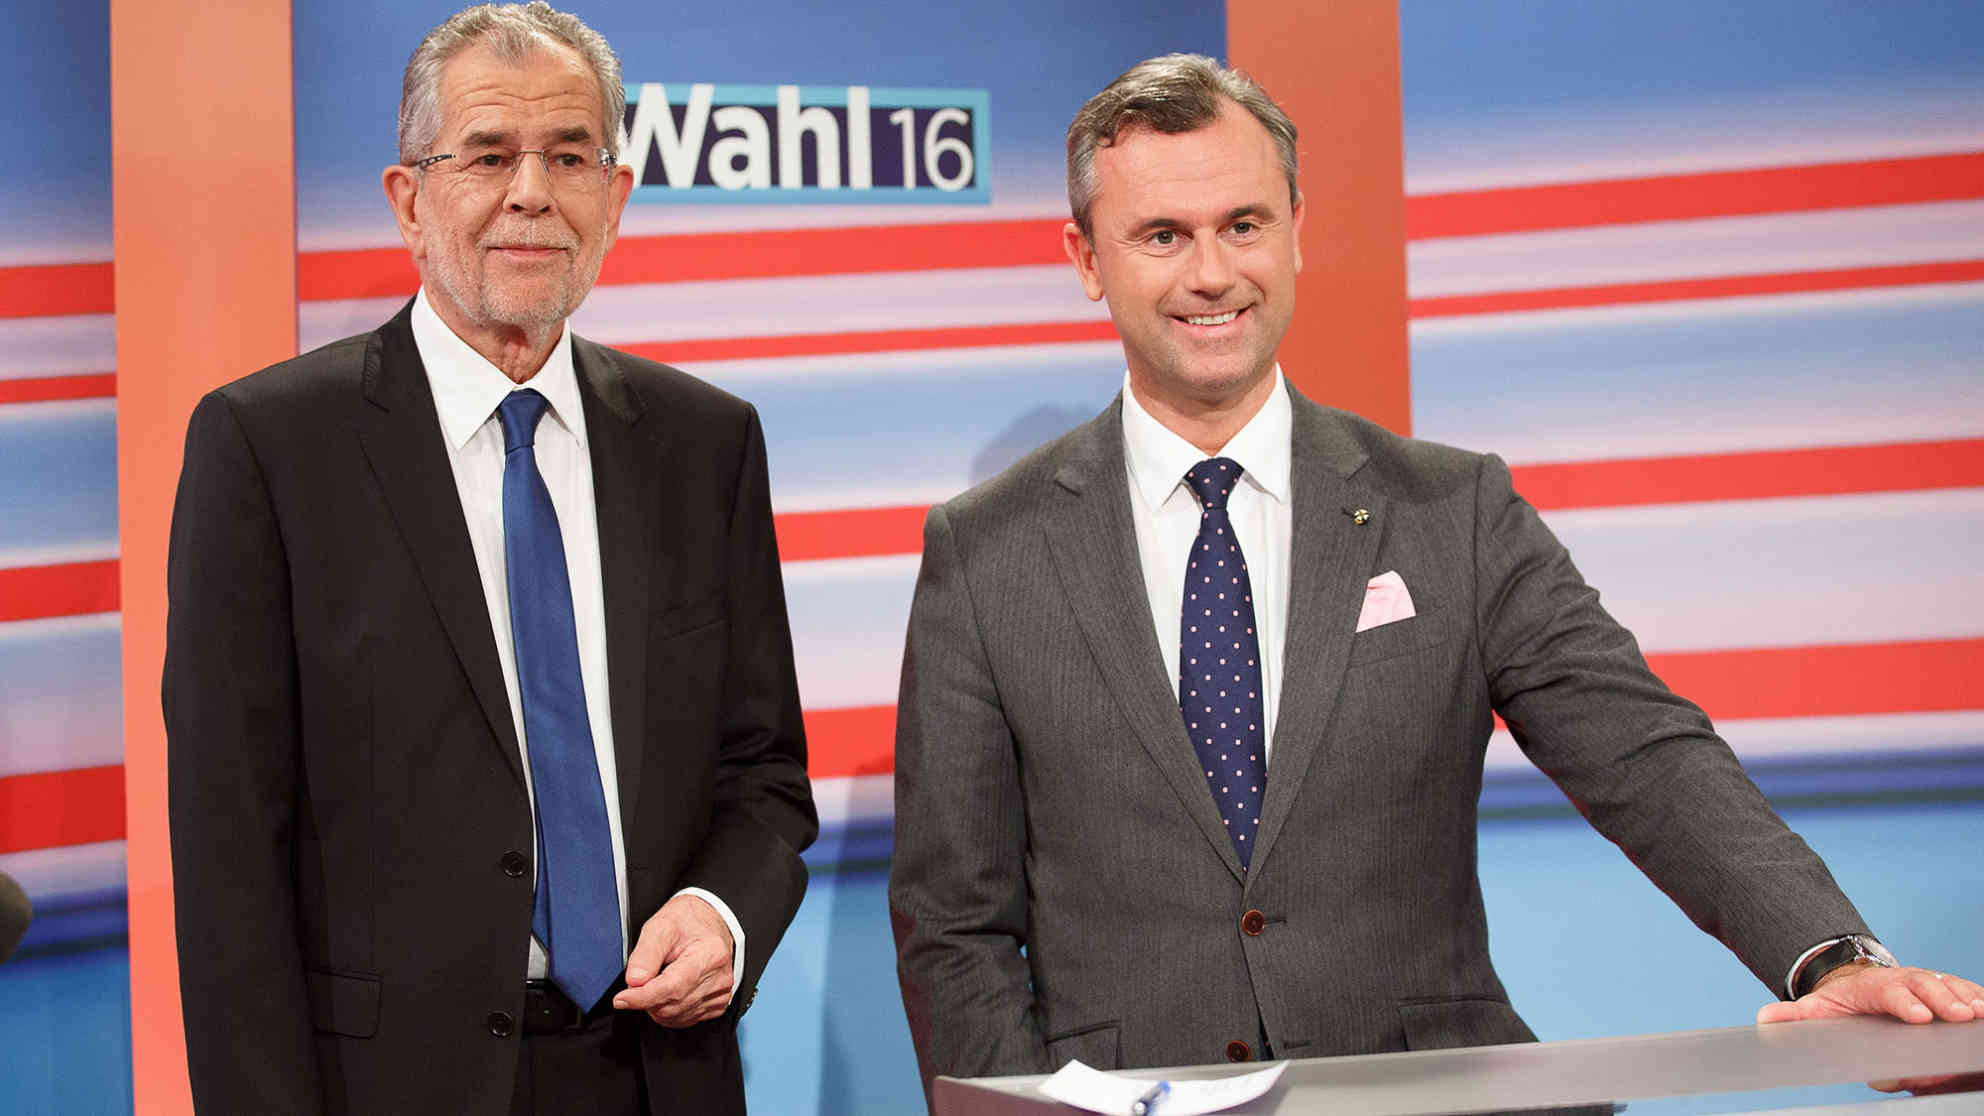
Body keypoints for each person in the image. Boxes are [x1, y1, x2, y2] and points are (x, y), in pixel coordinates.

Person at [889, 52, 1983, 1100]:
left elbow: (1644, 755)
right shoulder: (989, 551)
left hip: (1436, 1096)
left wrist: (1828, 958)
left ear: (1297, 232)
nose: (1212, 273)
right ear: (1086, 258)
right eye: (1162, 234)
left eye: (1243, 225)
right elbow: (954, 921)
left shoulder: (1453, 510)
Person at [164, 4, 815, 1112]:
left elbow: (762, 773)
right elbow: (230, 858)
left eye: (569, 156)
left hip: (657, 1074)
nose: (531, 193)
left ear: (612, 200)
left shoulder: (704, 442)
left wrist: (724, 911)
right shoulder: (269, 446)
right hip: (391, 1083)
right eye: (487, 155)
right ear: (409, 200)